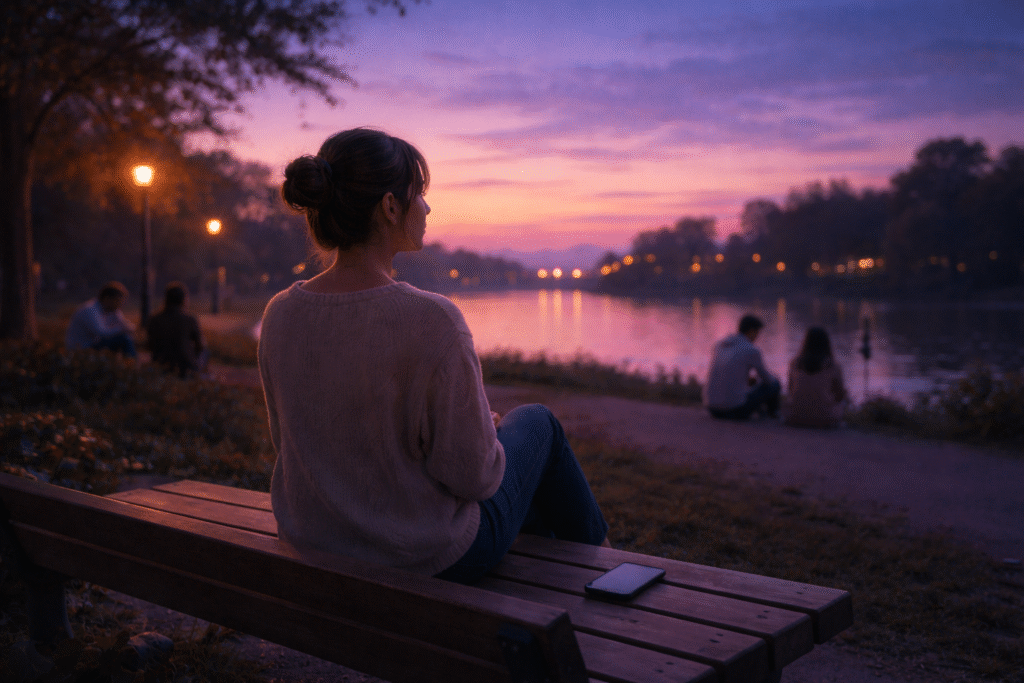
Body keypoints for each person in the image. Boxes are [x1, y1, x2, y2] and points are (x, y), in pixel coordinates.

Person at [258, 127, 608, 585]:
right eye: (418, 195)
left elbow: (292, 439)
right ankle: (602, 569)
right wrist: (486, 437)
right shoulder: (432, 319)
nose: (427, 208)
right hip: (424, 557)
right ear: (389, 207)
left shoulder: (281, 312)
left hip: (314, 539)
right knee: (539, 423)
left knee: (523, 471)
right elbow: (476, 480)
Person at [704, 314, 780, 420]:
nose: (757, 337)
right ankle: (773, 414)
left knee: (751, 383)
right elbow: (767, 379)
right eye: (757, 333)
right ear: (752, 331)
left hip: (712, 408)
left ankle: (763, 412)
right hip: (735, 410)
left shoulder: (719, 344)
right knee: (775, 383)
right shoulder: (751, 350)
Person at [783, 326, 848, 428]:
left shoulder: (795, 363)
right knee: (842, 403)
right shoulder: (832, 366)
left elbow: (790, 390)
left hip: (794, 416)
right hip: (825, 419)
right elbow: (840, 396)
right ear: (826, 344)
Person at [146, 282, 207, 378]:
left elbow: (149, 344)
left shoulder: (154, 319)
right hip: (185, 368)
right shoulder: (189, 319)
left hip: (161, 366)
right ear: (184, 300)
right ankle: (199, 373)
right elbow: (200, 346)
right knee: (206, 352)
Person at [64, 281, 137, 357]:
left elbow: (125, 325)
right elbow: (101, 332)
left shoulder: (112, 310)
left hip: (94, 344)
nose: (121, 304)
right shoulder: (90, 309)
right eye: (118, 301)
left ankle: (127, 363)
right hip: (81, 348)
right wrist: (123, 330)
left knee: (125, 338)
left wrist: (127, 329)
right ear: (107, 298)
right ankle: (133, 364)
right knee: (123, 339)